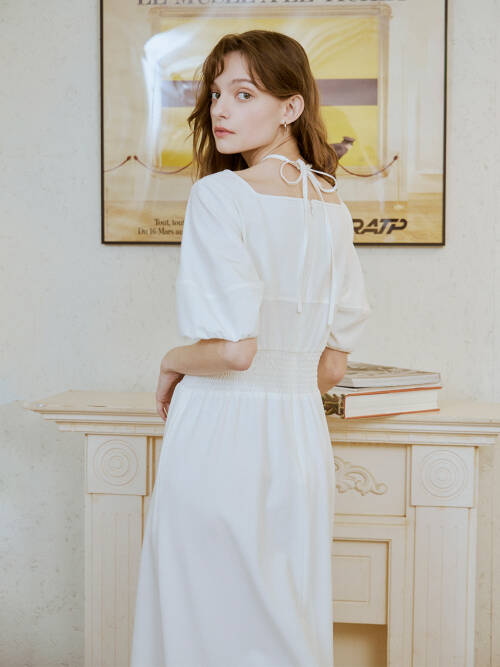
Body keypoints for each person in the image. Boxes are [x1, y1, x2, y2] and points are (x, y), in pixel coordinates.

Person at [130, 29, 372, 667]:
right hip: (298, 438)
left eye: (244, 94)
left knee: (203, 619)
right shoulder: (332, 205)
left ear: (291, 107)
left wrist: (171, 360)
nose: (221, 110)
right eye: (216, 94)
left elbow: (235, 353)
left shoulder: (220, 194)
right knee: (287, 620)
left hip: (220, 433)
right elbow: (332, 366)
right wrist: (281, 392)